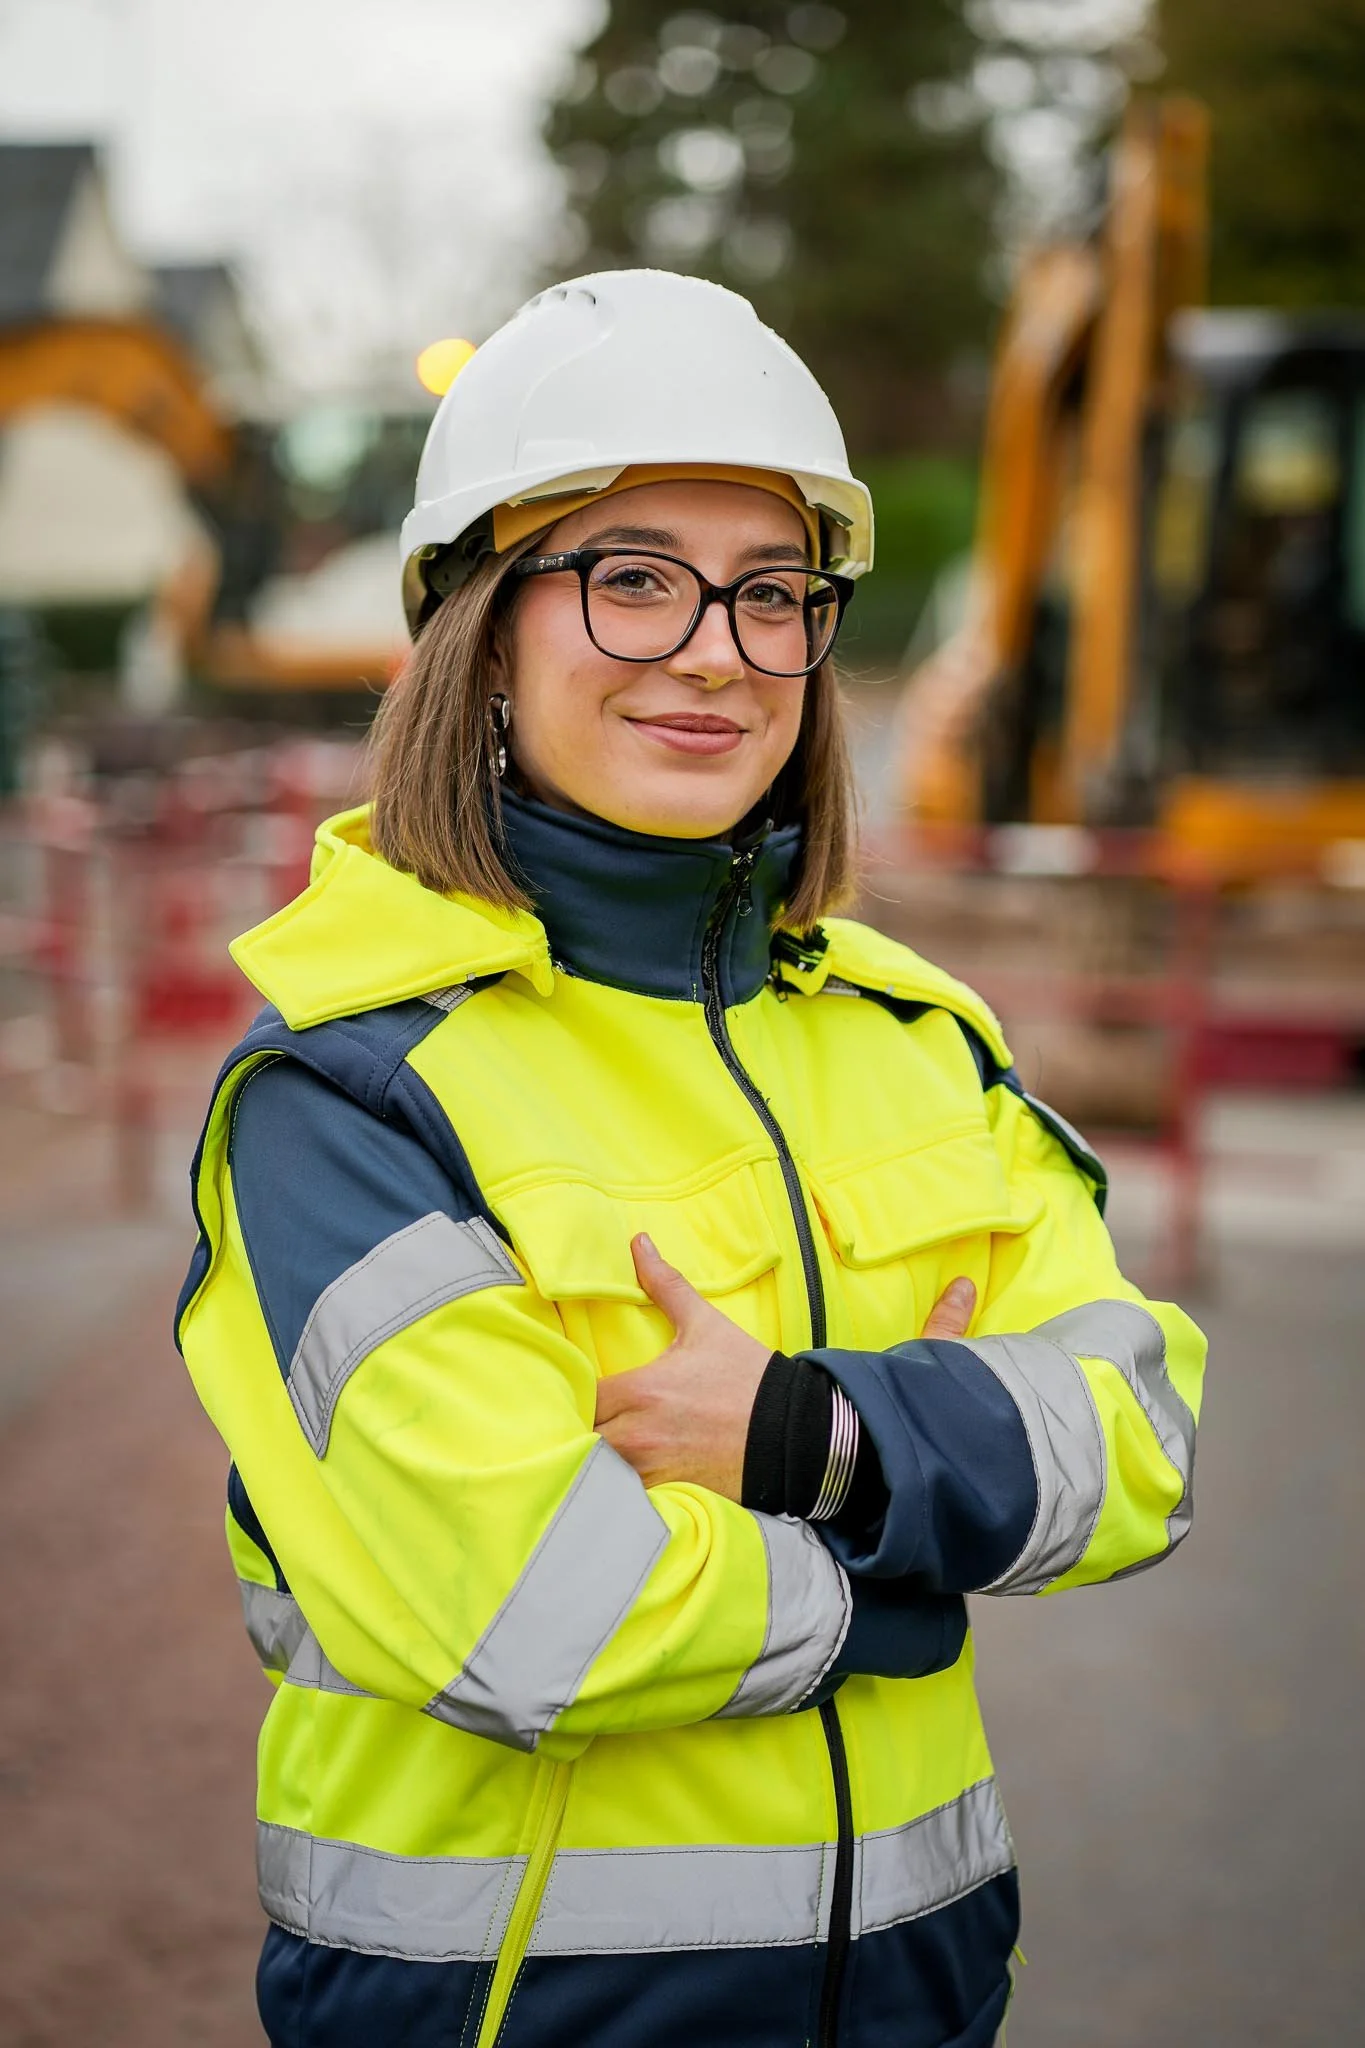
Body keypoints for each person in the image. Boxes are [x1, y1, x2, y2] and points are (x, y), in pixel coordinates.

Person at [176, 269, 1205, 2048]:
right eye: (632, 579)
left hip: (921, 2001)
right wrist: (922, 1537)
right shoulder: (347, 1095)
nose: (717, 650)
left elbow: (1140, 1441)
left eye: (771, 593)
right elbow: (536, 1624)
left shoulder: (915, 1041)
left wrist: (808, 1435)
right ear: (483, 627)